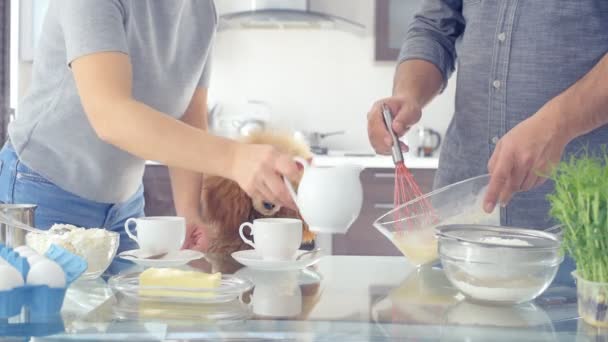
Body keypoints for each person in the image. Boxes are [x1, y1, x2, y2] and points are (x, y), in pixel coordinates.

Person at [0, 0, 299, 253]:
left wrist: (189, 212)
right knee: (44, 319)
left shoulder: (201, 10)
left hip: (124, 206)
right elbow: (110, 114)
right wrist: (233, 159)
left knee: (120, 321)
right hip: (42, 192)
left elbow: (189, 116)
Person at [367, 1, 608, 281]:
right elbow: (434, 27)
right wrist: (408, 94)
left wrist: (558, 123)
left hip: (586, 236)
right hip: (458, 234)